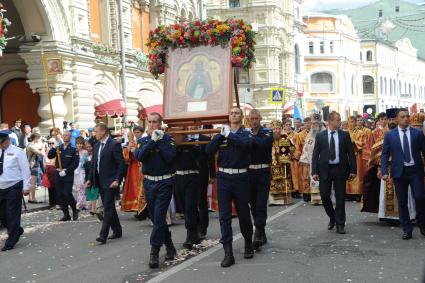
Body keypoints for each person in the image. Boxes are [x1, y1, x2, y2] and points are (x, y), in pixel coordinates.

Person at [206, 107, 254, 268]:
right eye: (232, 113)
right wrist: (220, 135)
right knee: (224, 216)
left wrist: (229, 136)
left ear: (241, 117)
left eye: (237, 113)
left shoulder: (245, 133)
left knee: (244, 213)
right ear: (228, 116)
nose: (234, 115)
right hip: (224, 178)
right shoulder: (221, 133)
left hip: (241, 177)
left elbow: (246, 145)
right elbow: (208, 151)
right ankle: (228, 252)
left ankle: (248, 242)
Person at [134, 113, 177, 268]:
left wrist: (159, 142)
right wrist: (152, 142)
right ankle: (170, 245)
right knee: (155, 217)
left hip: (164, 182)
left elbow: (171, 157)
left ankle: (154, 251)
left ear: (160, 124)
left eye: (155, 122)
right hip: (149, 183)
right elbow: (140, 156)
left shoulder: (167, 140)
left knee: (159, 216)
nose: (152, 125)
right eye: (150, 122)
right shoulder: (144, 140)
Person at [381, 108, 425, 240]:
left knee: (420, 197)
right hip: (399, 172)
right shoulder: (390, 135)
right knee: (402, 201)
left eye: (407, 116)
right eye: (402, 117)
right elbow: (384, 154)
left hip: (415, 171)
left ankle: (422, 224)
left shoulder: (417, 134)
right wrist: (384, 171)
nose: (406, 118)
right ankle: (407, 229)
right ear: (396, 119)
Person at [312, 111, 357, 234]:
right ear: (330, 121)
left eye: (340, 119)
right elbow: (315, 155)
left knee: (340, 197)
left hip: (340, 169)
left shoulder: (345, 135)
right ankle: (332, 216)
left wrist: (353, 170)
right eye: (337, 120)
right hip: (325, 170)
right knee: (324, 196)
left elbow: (351, 154)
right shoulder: (320, 136)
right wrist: (314, 171)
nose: (340, 122)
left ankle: (340, 223)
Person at [86, 123, 125, 244]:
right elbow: (94, 164)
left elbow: (121, 164)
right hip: (99, 180)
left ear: (103, 132)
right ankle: (117, 230)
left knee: (107, 207)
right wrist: (90, 179)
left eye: (96, 131)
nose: (94, 134)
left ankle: (103, 235)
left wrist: (117, 180)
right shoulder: (97, 145)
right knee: (110, 207)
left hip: (110, 181)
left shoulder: (114, 144)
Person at [0, 132, 31, 251]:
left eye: (2, 143)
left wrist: (26, 187)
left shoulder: (17, 152)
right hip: (1, 187)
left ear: (7, 140)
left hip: (14, 185)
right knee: (3, 215)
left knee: (12, 213)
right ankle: (16, 230)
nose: (1, 146)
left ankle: (11, 240)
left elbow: (25, 170)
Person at [247, 109, 273, 249]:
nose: (255, 121)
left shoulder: (267, 132)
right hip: (250, 172)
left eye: (257, 118)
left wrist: (250, 138)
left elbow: (263, 144)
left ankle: (258, 231)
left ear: (260, 119)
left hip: (263, 171)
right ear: (249, 119)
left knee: (261, 203)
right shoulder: (246, 133)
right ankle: (261, 231)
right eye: (252, 119)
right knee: (253, 204)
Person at [173, 130, 202, 249]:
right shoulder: (173, 146)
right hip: (179, 177)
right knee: (185, 208)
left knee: (190, 206)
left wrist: (188, 145)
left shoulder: (191, 144)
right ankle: (195, 229)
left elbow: (200, 155)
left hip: (192, 176)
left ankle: (190, 234)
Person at [47, 131, 79, 221]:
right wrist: (54, 147)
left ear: (70, 137)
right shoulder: (59, 147)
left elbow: (75, 163)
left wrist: (67, 171)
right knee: (60, 195)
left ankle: (74, 210)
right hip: (58, 173)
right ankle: (66, 214)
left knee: (67, 193)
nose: (65, 137)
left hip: (67, 174)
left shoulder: (73, 149)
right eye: (64, 135)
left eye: (67, 135)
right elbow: (50, 156)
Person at [121, 126, 148, 220]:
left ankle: (144, 211)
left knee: (142, 190)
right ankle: (137, 209)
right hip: (133, 170)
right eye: (135, 133)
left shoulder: (144, 142)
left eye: (138, 132)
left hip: (142, 169)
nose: (136, 134)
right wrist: (128, 149)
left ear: (142, 133)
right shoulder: (130, 144)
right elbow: (126, 158)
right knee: (134, 190)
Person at [197, 125, 216, 240]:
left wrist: (212, 174)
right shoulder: (181, 138)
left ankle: (202, 228)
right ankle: (193, 226)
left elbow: (210, 158)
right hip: (186, 175)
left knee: (201, 201)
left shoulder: (204, 139)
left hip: (201, 173)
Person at [299, 114, 323, 205]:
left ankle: (324, 198)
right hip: (312, 161)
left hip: (323, 162)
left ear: (320, 123)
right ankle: (315, 199)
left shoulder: (324, 133)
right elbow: (305, 148)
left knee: (324, 180)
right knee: (313, 179)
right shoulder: (309, 135)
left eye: (316, 123)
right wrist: (304, 159)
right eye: (313, 123)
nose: (314, 125)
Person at [269, 120, 294, 205]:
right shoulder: (269, 138)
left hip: (283, 164)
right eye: (274, 129)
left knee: (284, 180)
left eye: (278, 128)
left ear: (281, 129)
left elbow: (292, 148)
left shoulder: (285, 138)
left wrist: (289, 155)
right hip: (272, 163)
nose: (276, 130)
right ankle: (274, 201)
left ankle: (285, 200)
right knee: (273, 181)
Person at [347, 117, 371, 201]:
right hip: (347, 157)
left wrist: (354, 141)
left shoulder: (361, 132)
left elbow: (364, 143)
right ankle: (348, 193)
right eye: (349, 122)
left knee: (358, 174)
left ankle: (358, 192)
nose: (351, 123)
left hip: (357, 156)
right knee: (347, 172)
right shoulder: (345, 132)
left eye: (353, 121)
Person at [26, 133, 43, 203]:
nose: (39, 140)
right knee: (33, 183)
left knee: (30, 183)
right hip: (33, 165)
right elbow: (40, 153)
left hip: (29, 165)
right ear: (35, 138)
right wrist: (43, 147)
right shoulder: (32, 146)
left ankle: (30, 198)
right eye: (39, 138)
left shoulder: (29, 144)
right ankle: (33, 198)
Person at [73, 137, 89, 210]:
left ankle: (79, 203)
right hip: (75, 171)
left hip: (82, 171)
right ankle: (84, 204)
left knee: (82, 187)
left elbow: (85, 162)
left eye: (80, 143)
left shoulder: (85, 152)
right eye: (77, 143)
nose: (79, 145)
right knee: (78, 188)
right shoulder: (74, 151)